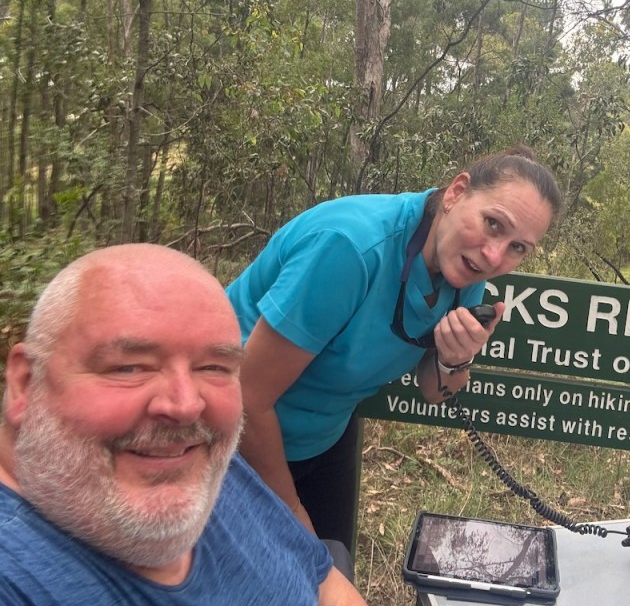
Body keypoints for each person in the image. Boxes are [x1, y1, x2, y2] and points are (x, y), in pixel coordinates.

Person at [227, 146, 563, 546]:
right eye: (493, 223)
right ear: (456, 192)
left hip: (326, 433)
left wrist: (455, 359)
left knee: (334, 564)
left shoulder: (467, 272)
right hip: (230, 437)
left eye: (518, 247)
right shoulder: (350, 247)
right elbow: (247, 396)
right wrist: (293, 512)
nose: (494, 256)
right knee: (286, 565)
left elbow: (435, 391)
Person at [0, 244, 366, 606]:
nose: (187, 406)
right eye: (130, 367)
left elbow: (324, 583)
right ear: (25, 384)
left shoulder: (199, 460)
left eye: (213, 367)